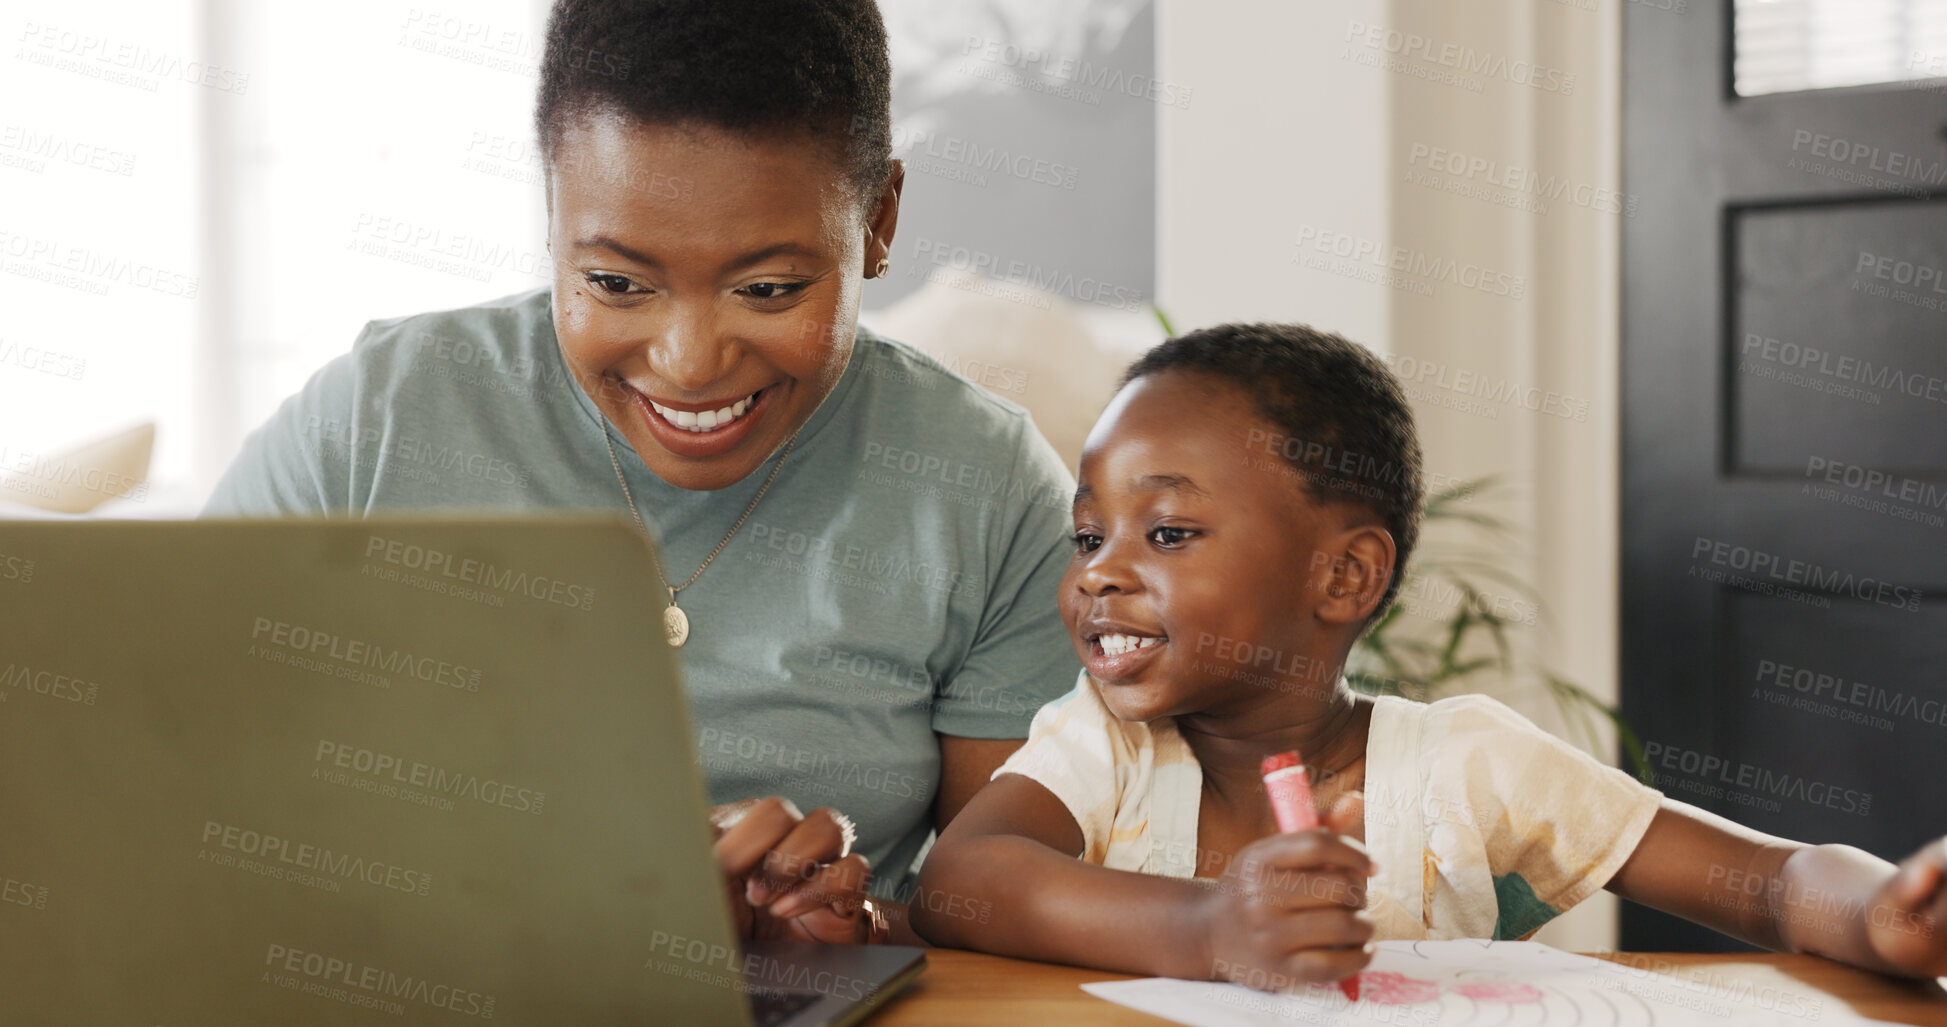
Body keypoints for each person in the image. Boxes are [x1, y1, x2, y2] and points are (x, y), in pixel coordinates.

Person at [203, 0, 1081, 944]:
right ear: (551, 214)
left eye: (769, 288)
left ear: (878, 218)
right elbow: (176, 782)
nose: (690, 361)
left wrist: (845, 926)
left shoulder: (988, 486)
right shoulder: (375, 424)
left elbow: (1000, 908)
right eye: (616, 284)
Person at [911, 323, 1947, 986]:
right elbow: (963, 879)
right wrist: (1208, 928)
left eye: (1167, 534)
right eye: (1088, 535)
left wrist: (1874, 912)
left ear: (1344, 577)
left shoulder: (1469, 767)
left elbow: (1765, 883)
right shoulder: (1103, 749)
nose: (1098, 573)